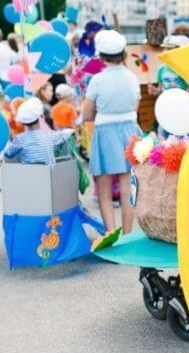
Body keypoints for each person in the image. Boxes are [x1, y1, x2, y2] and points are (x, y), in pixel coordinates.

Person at [82, 29, 141, 234]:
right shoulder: (132, 78)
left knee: (104, 189)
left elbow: (86, 113)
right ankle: (128, 234)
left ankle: (110, 234)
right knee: (127, 189)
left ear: (101, 56)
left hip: (105, 132)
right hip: (130, 130)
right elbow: (135, 107)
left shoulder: (97, 80)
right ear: (124, 54)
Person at [4, 98, 73, 165]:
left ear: (22, 122)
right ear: (41, 117)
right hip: (49, 172)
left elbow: (8, 153)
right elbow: (65, 134)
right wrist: (72, 130)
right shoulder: (49, 135)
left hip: (29, 172)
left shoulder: (20, 139)